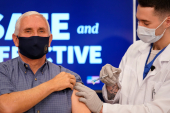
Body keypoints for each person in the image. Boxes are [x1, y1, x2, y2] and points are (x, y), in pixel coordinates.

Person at [74, 0, 170, 113]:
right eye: (138, 20)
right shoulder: (135, 49)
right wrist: (111, 85)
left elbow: (157, 110)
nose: (140, 27)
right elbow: (116, 100)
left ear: (167, 21)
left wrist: (102, 108)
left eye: (146, 23)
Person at [0, 11, 90, 113]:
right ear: (16, 39)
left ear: (49, 40)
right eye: (28, 31)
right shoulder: (3, 71)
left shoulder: (70, 78)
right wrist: (52, 85)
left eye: (41, 31)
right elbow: (5, 107)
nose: (35, 37)